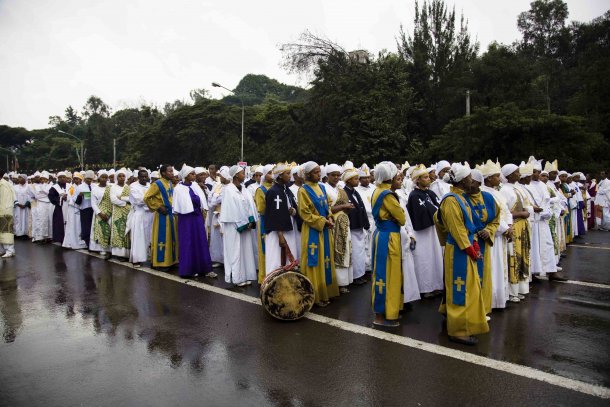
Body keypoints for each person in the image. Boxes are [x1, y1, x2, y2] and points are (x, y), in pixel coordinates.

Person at [435, 162, 488, 345]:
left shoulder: (462, 198)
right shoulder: (450, 200)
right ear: (462, 181)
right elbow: (457, 230)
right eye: (469, 178)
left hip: (465, 246)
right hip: (459, 249)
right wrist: (471, 250)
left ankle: (452, 314)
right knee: (460, 288)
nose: (472, 181)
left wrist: (475, 244)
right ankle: (457, 330)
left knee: (466, 287)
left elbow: (468, 226)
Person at [298, 162, 339, 307]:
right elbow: (304, 213)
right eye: (315, 172)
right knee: (314, 262)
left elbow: (327, 206)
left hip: (325, 229)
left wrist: (329, 216)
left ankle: (326, 291)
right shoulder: (303, 190)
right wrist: (322, 221)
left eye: (319, 172)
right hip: (312, 230)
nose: (318, 174)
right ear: (308, 174)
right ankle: (314, 295)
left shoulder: (321, 187)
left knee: (326, 259)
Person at [370, 162, 405, 327]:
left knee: (383, 274)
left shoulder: (377, 191)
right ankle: (382, 316)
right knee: (387, 275)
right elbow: (402, 218)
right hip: (388, 238)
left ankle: (387, 311)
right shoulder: (388, 195)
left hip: (382, 234)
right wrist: (395, 216)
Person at [465, 169, 500, 316]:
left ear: (479, 183)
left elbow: (496, 218)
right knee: (469, 276)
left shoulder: (488, 198)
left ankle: (482, 309)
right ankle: (470, 308)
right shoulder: (461, 198)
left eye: (472, 181)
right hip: (468, 242)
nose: (468, 183)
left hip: (484, 241)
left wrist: (489, 230)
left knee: (483, 275)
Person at [406, 164, 444, 298]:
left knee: (436, 258)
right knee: (425, 260)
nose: (429, 179)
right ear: (418, 180)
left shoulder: (430, 192)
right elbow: (418, 214)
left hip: (434, 231)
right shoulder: (414, 196)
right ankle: (425, 288)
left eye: (428, 177)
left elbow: (438, 207)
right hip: (422, 233)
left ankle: (437, 285)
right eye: (425, 177)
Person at [478, 161, 512, 310]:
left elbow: (506, 211)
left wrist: (509, 226)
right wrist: (504, 228)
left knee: (499, 266)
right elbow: (490, 216)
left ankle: (500, 298)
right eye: (497, 176)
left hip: (501, 234)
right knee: (492, 267)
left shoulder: (497, 192)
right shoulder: (483, 194)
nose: (499, 179)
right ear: (489, 178)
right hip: (493, 235)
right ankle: (491, 300)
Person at [219, 165, 258, 286]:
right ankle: (237, 278)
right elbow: (231, 209)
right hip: (233, 226)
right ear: (236, 175)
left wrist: (251, 221)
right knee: (235, 251)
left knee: (245, 251)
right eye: (242, 173)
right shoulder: (228, 190)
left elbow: (250, 206)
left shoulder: (244, 189)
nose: (244, 175)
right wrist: (242, 224)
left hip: (246, 225)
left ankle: (245, 275)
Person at [173, 164, 213, 278]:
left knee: (200, 241)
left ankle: (203, 268)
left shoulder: (195, 186)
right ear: (185, 175)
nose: (194, 176)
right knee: (188, 243)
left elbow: (201, 201)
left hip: (197, 217)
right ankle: (188, 269)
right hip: (186, 219)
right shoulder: (179, 188)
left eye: (194, 173)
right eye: (192, 174)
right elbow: (179, 206)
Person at [500, 164, 531, 302]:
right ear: (509, 175)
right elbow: (504, 212)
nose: (519, 174)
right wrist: (522, 213)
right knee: (514, 257)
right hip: (514, 226)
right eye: (516, 172)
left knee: (523, 256)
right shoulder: (505, 190)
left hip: (523, 226)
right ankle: (512, 292)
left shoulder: (518, 187)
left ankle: (521, 288)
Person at [264, 163, 300, 275]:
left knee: (289, 258)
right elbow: (272, 214)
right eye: (288, 174)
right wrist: (280, 235)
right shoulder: (273, 191)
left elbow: (293, 208)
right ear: (279, 176)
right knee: (276, 259)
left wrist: (293, 211)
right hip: (277, 233)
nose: (290, 176)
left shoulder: (287, 190)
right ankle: (273, 283)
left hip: (289, 228)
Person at [144, 164, 178, 270]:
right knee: (162, 240)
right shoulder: (157, 184)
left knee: (171, 238)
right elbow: (147, 197)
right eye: (170, 171)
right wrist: (158, 206)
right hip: (162, 216)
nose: (172, 173)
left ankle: (171, 261)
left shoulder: (170, 183)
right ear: (163, 173)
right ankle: (160, 262)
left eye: (172, 171)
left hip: (171, 216)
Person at [342, 168, 370, 285]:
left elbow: (361, 208)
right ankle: (355, 276)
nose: (358, 181)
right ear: (348, 181)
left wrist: (365, 223)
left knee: (360, 251)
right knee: (354, 252)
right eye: (355, 179)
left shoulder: (355, 192)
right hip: (352, 226)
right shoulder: (344, 193)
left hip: (359, 226)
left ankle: (360, 273)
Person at [128, 169, 153, 267]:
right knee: (138, 238)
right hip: (140, 213)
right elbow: (140, 200)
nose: (144, 178)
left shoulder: (150, 186)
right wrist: (151, 201)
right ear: (138, 177)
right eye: (142, 176)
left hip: (150, 213)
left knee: (149, 237)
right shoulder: (133, 186)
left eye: (145, 176)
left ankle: (149, 258)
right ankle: (136, 259)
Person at [254, 164, 274, 282]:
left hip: (275, 222)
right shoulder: (260, 190)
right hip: (265, 222)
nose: (272, 175)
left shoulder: (277, 187)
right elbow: (261, 209)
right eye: (269, 172)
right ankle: (264, 277)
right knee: (265, 250)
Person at [109, 168, 131, 259]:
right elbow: (113, 199)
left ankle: (126, 253)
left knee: (127, 231)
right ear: (116, 178)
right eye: (119, 176)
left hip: (128, 212)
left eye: (123, 176)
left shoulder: (128, 187)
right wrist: (125, 202)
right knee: (118, 231)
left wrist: (121, 198)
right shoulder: (113, 187)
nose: (122, 178)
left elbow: (131, 199)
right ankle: (119, 254)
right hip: (118, 212)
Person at [90, 171, 112, 258]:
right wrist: (100, 213)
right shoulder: (95, 189)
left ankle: (109, 249)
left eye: (106, 177)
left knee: (109, 231)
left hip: (110, 212)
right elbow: (93, 203)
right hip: (99, 213)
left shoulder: (111, 188)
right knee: (100, 231)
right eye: (102, 177)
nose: (104, 179)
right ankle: (102, 249)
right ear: (99, 178)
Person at [63, 172, 87, 250]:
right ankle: (72, 242)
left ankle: (81, 242)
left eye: (78, 179)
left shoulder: (83, 187)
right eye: (75, 179)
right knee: (73, 225)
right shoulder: (72, 188)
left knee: (79, 226)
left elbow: (87, 197)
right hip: (73, 209)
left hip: (81, 208)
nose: (76, 180)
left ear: (81, 180)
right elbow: (70, 199)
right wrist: (77, 204)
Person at [31, 171, 53, 243]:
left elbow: (49, 194)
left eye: (45, 179)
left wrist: (43, 192)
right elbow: (37, 196)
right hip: (41, 204)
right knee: (41, 220)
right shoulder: (37, 186)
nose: (43, 180)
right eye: (42, 179)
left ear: (47, 179)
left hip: (49, 204)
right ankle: (41, 237)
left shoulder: (50, 186)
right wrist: (45, 193)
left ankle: (49, 237)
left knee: (49, 219)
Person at [76, 170, 95, 249]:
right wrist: (80, 195)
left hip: (93, 208)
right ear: (85, 178)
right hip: (85, 209)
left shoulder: (94, 186)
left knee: (93, 226)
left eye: (91, 179)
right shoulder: (80, 187)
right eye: (88, 179)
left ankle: (93, 243)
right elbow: (76, 201)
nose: (89, 180)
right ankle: (87, 242)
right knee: (86, 226)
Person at [48, 171, 68, 244]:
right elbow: (51, 197)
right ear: (58, 178)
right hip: (59, 208)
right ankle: (60, 239)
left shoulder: (70, 186)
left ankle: (68, 238)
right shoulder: (54, 188)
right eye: (60, 177)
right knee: (60, 224)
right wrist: (61, 199)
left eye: (64, 177)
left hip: (69, 208)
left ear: (66, 178)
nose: (62, 179)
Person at [0, 169, 16, 258]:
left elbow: (4, 200)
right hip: (2, 211)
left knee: (6, 231)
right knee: (1, 232)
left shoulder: (4, 185)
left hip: (4, 211)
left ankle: (10, 250)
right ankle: (2, 250)